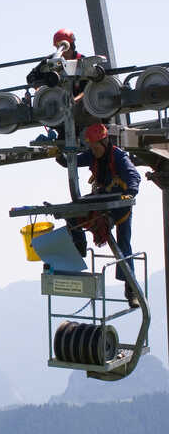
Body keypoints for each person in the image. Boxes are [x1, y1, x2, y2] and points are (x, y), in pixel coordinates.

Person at [55, 123, 142, 308]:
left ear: (105, 142)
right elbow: (72, 162)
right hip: (102, 198)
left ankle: (131, 289)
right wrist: (59, 156)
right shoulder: (92, 155)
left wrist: (131, 193)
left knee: (124, 244)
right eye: (92, 148)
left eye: (96, 148)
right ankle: (79, 248)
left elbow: (133, 176)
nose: (94, 152)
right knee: (73, 212)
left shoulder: (118, 156)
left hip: (120, 203)